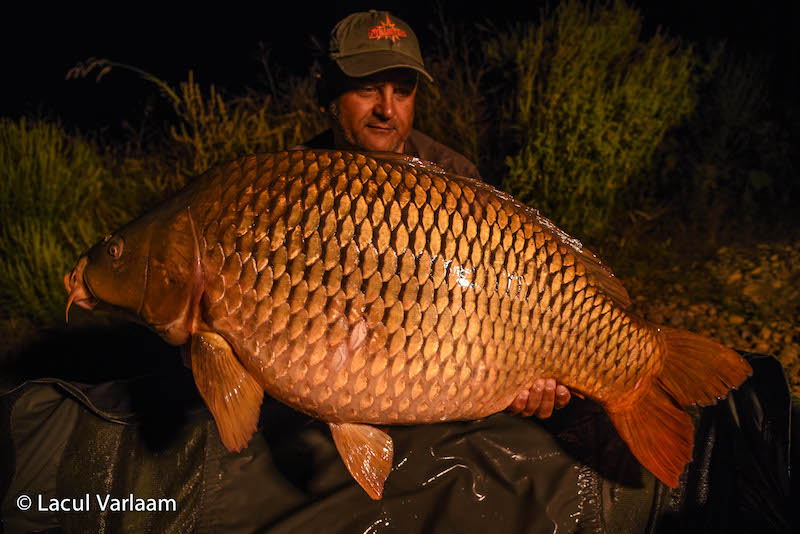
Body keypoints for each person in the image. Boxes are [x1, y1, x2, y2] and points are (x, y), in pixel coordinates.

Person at [298, 10, 571, 419]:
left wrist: (523, 373)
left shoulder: (455, 178)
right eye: (368, 90)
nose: (387, 110)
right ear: (326, 93)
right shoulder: (297, 185)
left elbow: (497, 312)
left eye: (403, 92)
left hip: (443, 377)